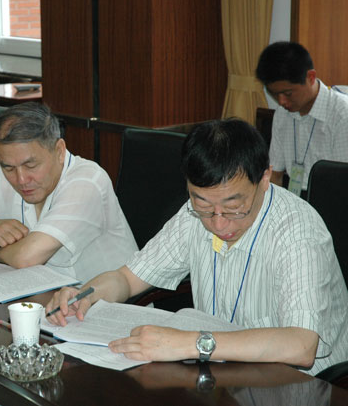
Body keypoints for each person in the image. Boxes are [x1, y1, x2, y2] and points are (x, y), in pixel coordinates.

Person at [46, 119, 348, 376]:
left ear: (265, 177)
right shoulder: (193, 214)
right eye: (203, 206)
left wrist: (191, 342)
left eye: (234, 208)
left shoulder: (298, 233)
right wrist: (86, 294)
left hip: (301, 385)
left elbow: (301, 345)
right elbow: (127, 278)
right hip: (221, 373)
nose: (218, 223)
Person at [0, 102, 137, 283]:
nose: (21, 179)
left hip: (104, 305)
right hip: (41, 295)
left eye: (31, 165)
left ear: (59, 151)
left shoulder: (88, 181)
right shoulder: (4, 172)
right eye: (9, 168)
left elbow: (26, 258)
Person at [256, 41, 348, 197]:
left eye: (288, 93)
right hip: (294, 197)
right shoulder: (282, 114)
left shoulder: (342, 115)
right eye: (274, 94)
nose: (281, 101)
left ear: (310, 77)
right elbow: (275, 175)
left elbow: (342, 184)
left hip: (332, 199)